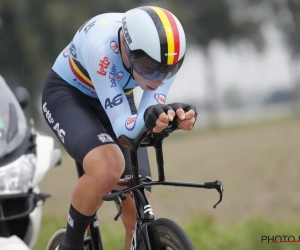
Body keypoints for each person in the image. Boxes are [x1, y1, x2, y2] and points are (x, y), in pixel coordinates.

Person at [41, 5, 197, 250]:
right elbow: (124, 129)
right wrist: (153, 117)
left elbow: (151, 110)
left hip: (116, 97)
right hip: (68, 97)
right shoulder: (102, 51)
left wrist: (173, 116)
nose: (159, 79)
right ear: (127, 48)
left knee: (136, 201)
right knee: (109, 167)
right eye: (149, 68)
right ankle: (69, 245)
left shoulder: (168, 57)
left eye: (168, 71)